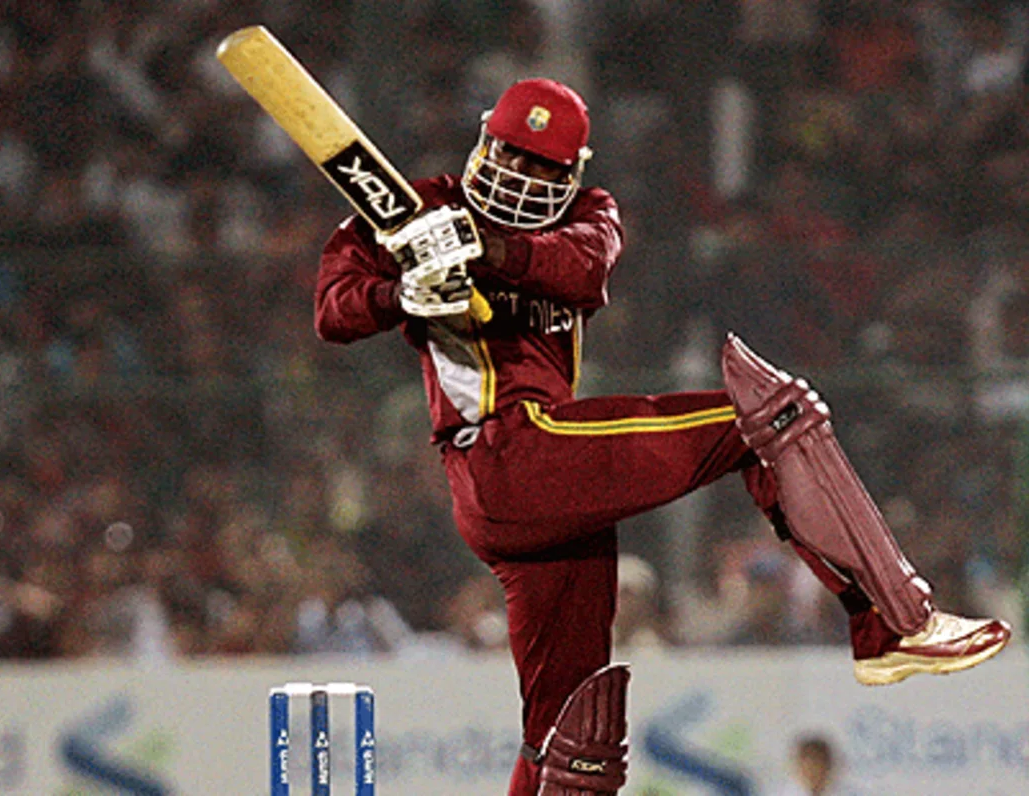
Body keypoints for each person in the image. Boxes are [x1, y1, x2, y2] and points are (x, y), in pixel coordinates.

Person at [312, 78, 1011, 796]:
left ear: (572, 172)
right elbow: (333, 313)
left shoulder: (592, 212)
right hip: (505, 455)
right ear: (486, 143)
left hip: (546, 489)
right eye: (512, 156)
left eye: (541, 167)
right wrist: (399, 292)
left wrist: (481, 249)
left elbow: (581, 271)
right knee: (772, 413)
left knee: (573, 739)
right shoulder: (412, 206)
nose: (521, 176)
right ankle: (893, 624)